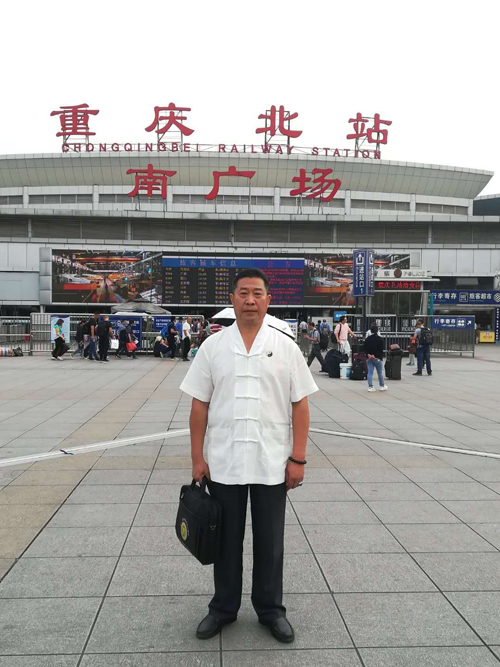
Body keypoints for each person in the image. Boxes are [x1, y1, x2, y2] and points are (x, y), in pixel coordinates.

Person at [180, 268, 318, 644]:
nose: (250, 300)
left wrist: (298, 458)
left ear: (268, 300)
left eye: (257, 293)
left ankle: (271, 610)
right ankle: (223, 608)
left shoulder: (285, 347)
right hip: (224, 462)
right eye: (243, 293)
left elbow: (300, 404)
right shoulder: (213, 347)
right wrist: (197, 458)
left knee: (270, 544)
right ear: (232, 299)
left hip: (272, 462)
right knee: (225, 542)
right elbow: (198, 405)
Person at [364, 325, 387, 392]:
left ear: (370, 331)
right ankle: (382, 386)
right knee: (380, 372)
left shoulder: (367, 339)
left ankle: (370, 386)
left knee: (370, 372)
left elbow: (365, 348)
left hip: (369, 358)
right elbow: (380, 349)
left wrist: (368, 354)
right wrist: (375, 355)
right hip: (377, 358)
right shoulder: (380, 339)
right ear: (377, 330)